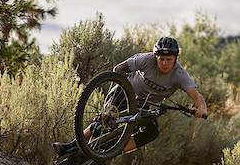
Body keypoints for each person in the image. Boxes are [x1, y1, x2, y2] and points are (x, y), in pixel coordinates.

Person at [53, 36, 207, 157]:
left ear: (175, 59)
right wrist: (128, 91)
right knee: (105, 120)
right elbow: (118, 69)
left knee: (151, 132)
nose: (164, 63)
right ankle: (71, 146)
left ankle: (111, 153)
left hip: (143, 104)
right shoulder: (146, 60)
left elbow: (196, 96)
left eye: (169, 60)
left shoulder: (179, 74)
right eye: (161, 59)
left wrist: (202, 109)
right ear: (155, 57)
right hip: (125, 90)